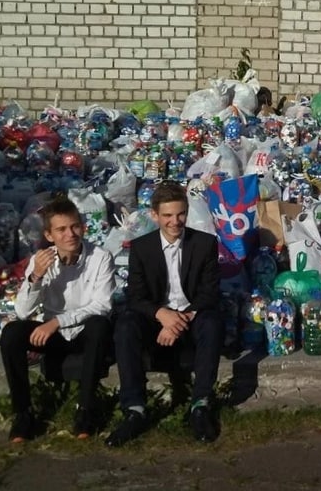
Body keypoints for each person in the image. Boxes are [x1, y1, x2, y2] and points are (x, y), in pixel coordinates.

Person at [106, 181, 223, 447]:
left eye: (181, 214)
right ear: (155, 215)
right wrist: (162, 315)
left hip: (191, 316)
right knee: (125, 325)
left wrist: (179, 321)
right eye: (168, 215)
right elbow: (136, 296)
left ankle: (201, 404)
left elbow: (209, 292)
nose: (175, 221)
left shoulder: (204, 243)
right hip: (156, 320)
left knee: (212, 321)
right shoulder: (142, 247)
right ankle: (134, 408)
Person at [0, 197, 115, 442]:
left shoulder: (100, 257)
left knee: (99, 324)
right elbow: (22, 311)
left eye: (74, 227)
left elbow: (102, 305)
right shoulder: (40, 260)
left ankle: (85, 409)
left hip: (83, 332)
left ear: (83, 227)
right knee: (11, 333)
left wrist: (57, 322)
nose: (70, 235)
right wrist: (35, 278)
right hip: (54, 336)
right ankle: (23, 413)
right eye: (61, 229)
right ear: (49, 235)